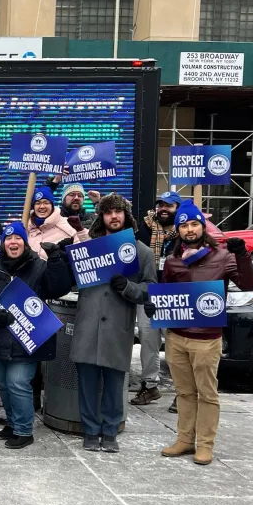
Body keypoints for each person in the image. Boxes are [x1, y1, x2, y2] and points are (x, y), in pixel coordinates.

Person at [160, 202, 253, 465]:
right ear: (178, 229)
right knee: (183, 392)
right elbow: (165, 293)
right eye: (184, 225)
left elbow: (248, 284)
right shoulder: (172, 260)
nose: (189, 230)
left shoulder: (223, 256)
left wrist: (242, 256)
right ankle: (184, 439)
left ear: (203, 227)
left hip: (207, 337)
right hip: (176, 336)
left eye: (194, 224)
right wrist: (154, 304)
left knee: (207, 393)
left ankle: (205, 444)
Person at [0, 222, 74, 449]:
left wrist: (56, 258)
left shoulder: (39, 266)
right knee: (4, 384)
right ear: (3, 243)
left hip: (27, 339)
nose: (13, 242)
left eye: (17, 238)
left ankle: (24, 429)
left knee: (18, 382)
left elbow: (59, 288)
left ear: (25, 242)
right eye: (8, 239)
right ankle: (13, 422)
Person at [70, 193, 156, 453]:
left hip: (118, 327)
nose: (114, 216)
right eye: (109, 212)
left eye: (119, 211)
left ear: (126, 216)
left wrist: (128, 287)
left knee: (114, 384)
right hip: (88, 325)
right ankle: (90, 430)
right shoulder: (87, 249)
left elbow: (151, 289)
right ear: (102, 216)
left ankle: (110, 431)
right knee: (86, 383)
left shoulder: (141, 252)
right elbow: (73, 282)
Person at [132, 191, 182, 409]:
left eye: (169, 206)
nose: (163, 209)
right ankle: (150, 385)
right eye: (160, 204)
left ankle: (184, 392)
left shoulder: (185, 231)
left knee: (175, 344)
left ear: (177, 209)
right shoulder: (144, 228)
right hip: (149, 291)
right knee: (148, 340)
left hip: (174, 295)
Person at [26, 186, 89, 259]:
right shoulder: (26, 228)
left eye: (46, 203)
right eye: (37, 203)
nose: (42, 206)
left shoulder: (67, 224)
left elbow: (89, 250)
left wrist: (80, 231)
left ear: (52, 206)